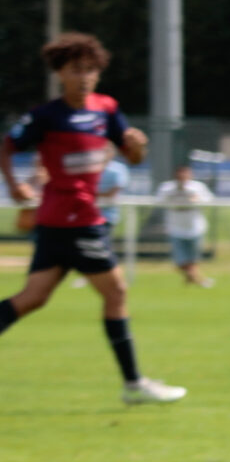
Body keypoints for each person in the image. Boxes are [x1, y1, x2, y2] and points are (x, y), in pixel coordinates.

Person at [0, 32, 185, 403]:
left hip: (64, 219)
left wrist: (138, 146)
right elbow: (6, 145)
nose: (83, 77)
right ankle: (134, 385)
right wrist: (15, 185)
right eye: (75, 70)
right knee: (116, 291)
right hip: (75, 218)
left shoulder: (106, 109)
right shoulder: (46, 116)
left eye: (90, 70)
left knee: (33, 297)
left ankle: (135, 385)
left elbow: (133, 157)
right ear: (60, 74)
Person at [154, 161, 216, 288]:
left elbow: (210, 200)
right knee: (180, 261)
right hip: (175, 228)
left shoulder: (198, 187)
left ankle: (192, 279)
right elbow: (158, 201)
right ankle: (200, 280)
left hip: (195, 228)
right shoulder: (166, 188)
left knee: (193, 259)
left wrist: (197, 199)